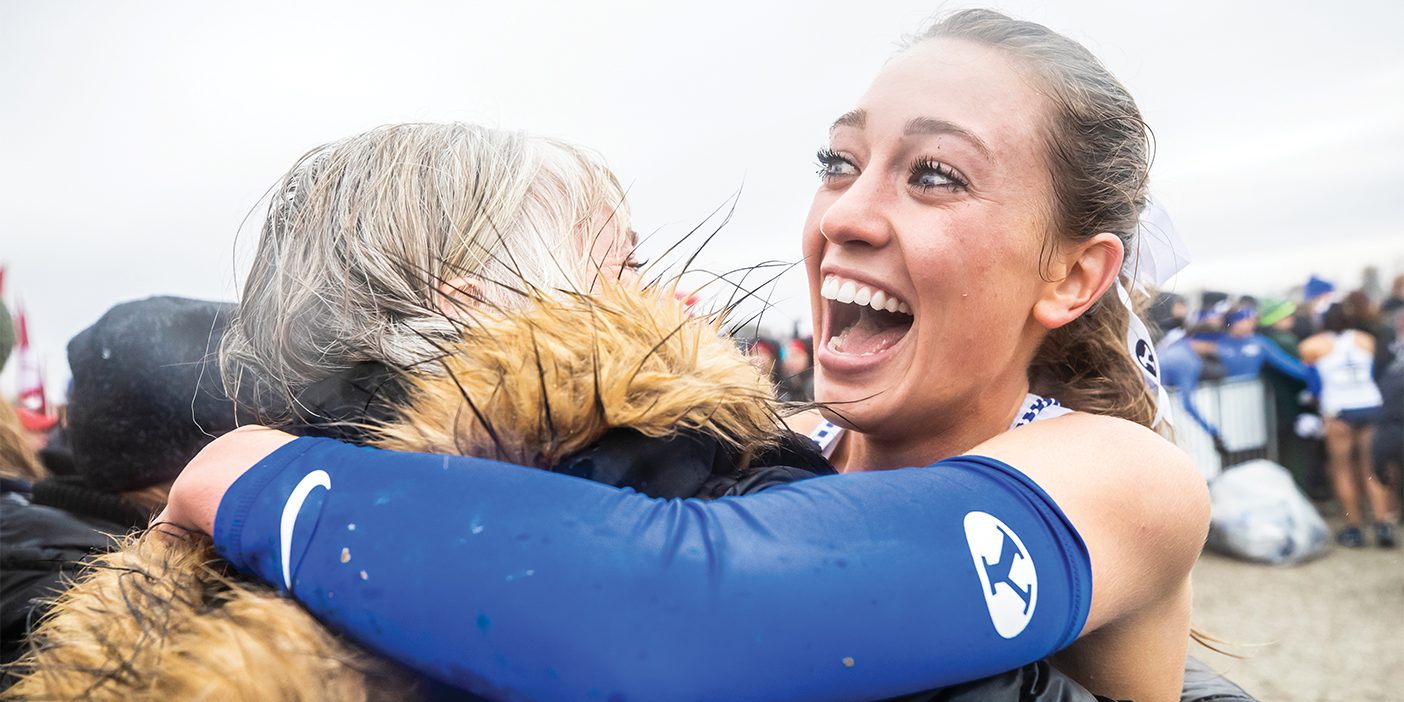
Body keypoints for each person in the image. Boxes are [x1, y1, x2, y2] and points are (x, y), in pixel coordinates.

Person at [157, 11, 1222, 702]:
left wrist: (266, 482)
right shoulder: (783, 438)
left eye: (934, 174)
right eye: (839, 161)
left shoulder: (1123, 479)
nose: (847, 211)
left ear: (1073, 278)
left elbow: (689, 619)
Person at [1300, 303, 1397, 547]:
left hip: (1339, 410)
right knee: (1371, 467)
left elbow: (1314, 387)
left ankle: (1354, 528)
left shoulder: (1311, 346)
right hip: (1370, 404)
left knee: (1341, 469)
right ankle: (1382, 524)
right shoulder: (1365, 340)